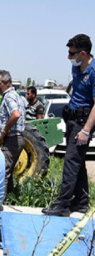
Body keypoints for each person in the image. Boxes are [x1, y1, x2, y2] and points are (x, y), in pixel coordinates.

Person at [42, 34, 95, 216]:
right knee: (77, 164)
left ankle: (62, 204)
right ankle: (81, 202)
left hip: (83, 123)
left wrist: (86, 131)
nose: (69, 57)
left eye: (72, 54)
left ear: (83, 53)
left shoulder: (94, 71)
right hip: (72, 121)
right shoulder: (77, 68)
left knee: (70, 163)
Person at [0, 70, 26, 198]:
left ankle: (0, 205)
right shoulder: (17, 95)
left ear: (7, 83)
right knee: (9, 172)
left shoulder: (8, 97)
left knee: (3, 173)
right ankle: (11, 197)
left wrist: (5, 129)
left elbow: (16, 114)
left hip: (12, 139)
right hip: (16, 139)